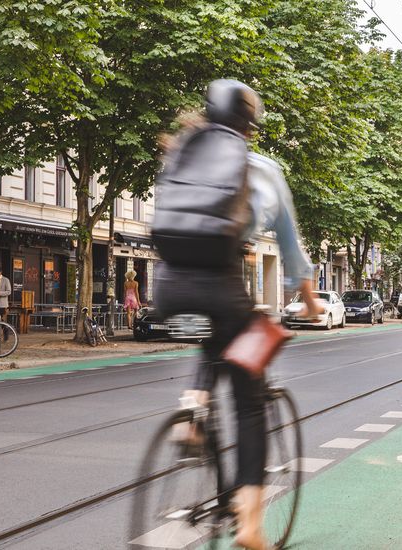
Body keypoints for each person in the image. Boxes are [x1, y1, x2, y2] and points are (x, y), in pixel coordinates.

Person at [153, 79, 321, 550]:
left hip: (167, 287)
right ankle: (250, 524)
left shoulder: (183, 150)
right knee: (249, 398)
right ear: (251, 125)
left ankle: (193, 410)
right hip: (220, 284)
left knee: (213, 338)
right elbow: (291, 251)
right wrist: (309, 302)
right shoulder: (261, 168)